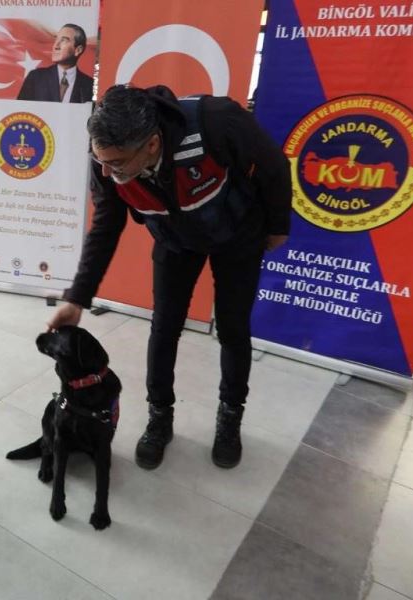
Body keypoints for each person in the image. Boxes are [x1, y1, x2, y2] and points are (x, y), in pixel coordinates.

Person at [47, 84, 291, 470]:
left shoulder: (217, 121)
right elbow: (105, 227)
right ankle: (160, 416)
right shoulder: (106, 161)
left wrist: (278, 226)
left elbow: (275, 167)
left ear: (152, 144)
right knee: (163, 328)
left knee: (232, 329)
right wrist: (78, 297)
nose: (108, 172)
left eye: (118, 163)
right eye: (102, 161)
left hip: (238, 235)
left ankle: (230, 417)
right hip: (175, 241)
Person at [17, 23, 94, 103]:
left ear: (78, 50)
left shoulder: (89, 84)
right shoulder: (35, 78)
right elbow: (21, 111)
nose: (56, 46)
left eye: (64, 40)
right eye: (56, 39)